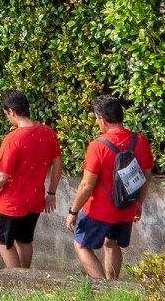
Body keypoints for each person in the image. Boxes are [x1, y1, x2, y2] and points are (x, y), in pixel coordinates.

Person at [65, 94, 153, 281]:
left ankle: (103, 288)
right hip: (126, 208)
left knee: (81, 245)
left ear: (102, 119)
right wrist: (138, 203)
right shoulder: (140, 141)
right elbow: (145, 177)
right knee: (111, 243)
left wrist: (73, 211)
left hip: (98, 210)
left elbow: (87, 185)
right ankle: (113, 285)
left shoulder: (98, 145)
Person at [0, 90, 61, 270]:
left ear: (11, 111)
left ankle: (17, 280)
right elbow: (57, 164)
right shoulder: (48, 132)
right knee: (25, 239)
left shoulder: (12, 139)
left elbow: (2, 175)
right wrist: (52, 192)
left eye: (6, 114)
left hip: (11, 203)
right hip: (35, 199)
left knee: (4, 242)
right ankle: (26, 275)